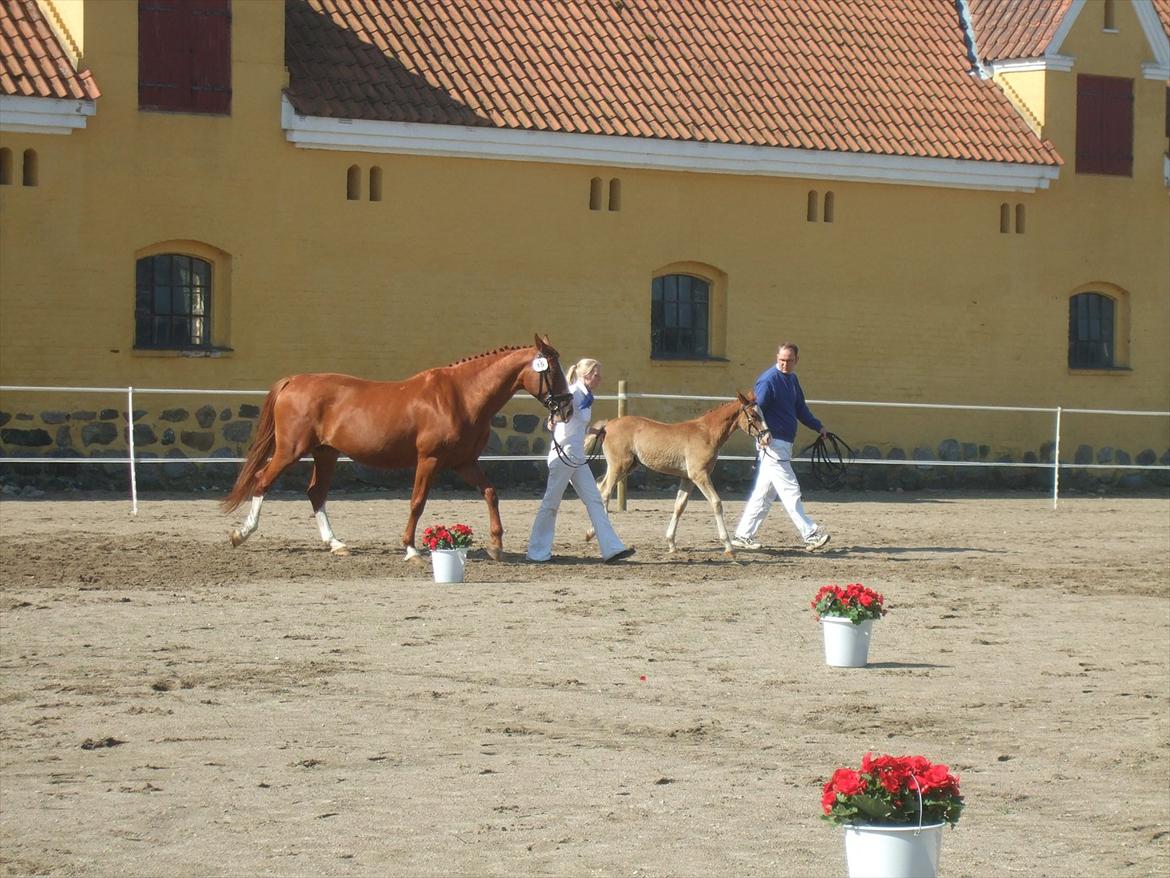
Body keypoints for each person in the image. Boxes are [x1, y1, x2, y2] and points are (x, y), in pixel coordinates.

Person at [526, 357, 636, 564]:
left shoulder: (586, 396)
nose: (599, 379)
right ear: (586, 375)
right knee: (551, 502)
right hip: (564, 453)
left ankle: (612, 548)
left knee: (594, 499)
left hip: (577, 454)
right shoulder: (572, 393)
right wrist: (553, 419)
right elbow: (559, 414)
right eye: (596, 375)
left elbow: (578, 423)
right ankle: (537, 551)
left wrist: (594, 431)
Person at [732, 342, 831, 551]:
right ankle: (810, 534)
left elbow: (800, 408)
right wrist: (762, 436)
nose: (785, 364)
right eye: (782, 360)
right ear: (777, 357)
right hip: (773, 443)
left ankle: (742, 535)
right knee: (790, 489)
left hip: (784, 443)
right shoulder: (769, 380)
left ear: (797, 361)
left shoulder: (792, 380)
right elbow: (755, 410)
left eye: (789, 361)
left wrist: (818, 426)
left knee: (764, 494)